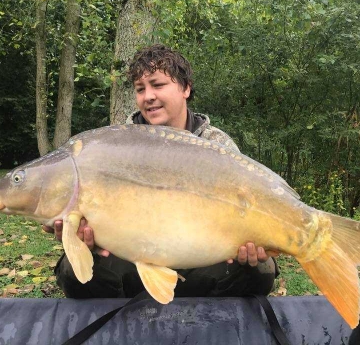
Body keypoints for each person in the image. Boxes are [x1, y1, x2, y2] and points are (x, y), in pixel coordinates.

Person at [43, 44, 278, 299]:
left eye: (158, 85)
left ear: (186, 88)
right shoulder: (116, 145)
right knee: (72, 274)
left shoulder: (218, 145)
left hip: (200, 251)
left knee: (261, 271)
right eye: (140, 89)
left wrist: (251, 248)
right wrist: (81, 237)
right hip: (135, 253)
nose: (148, 96)